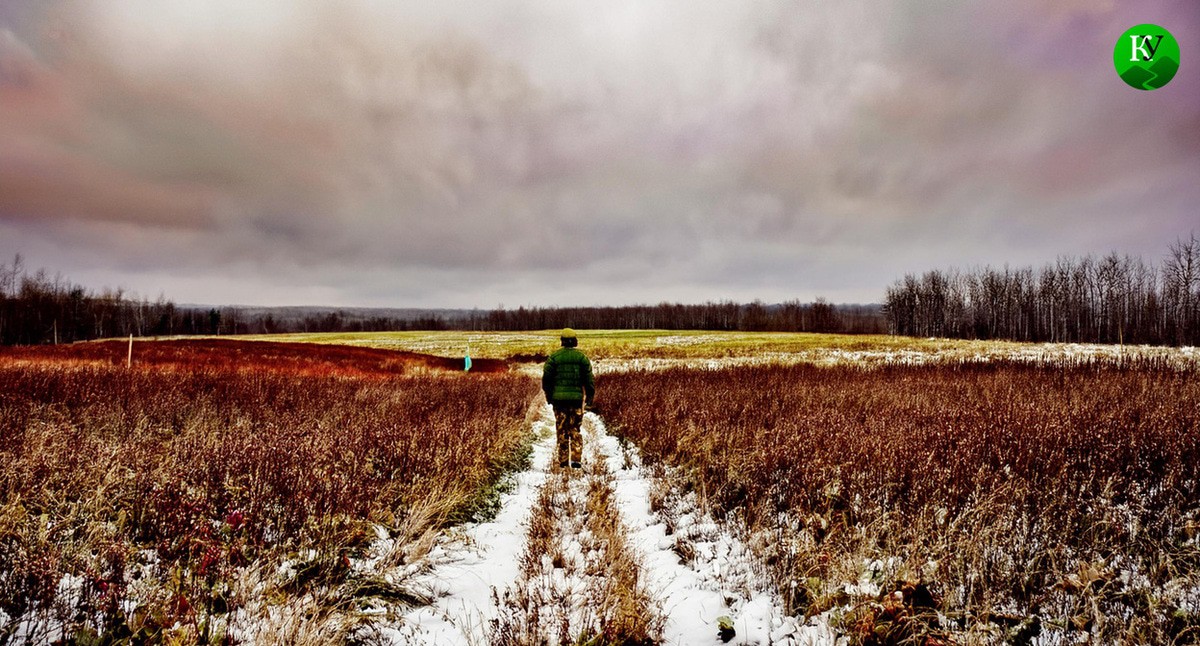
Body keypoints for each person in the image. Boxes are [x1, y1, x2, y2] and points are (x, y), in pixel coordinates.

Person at [542, 328, 595, 469]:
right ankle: (576, 460)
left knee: (561, 429)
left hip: (559, 401)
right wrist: (589, 397)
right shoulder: (582, 358)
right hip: (576, 400)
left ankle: (563, 461)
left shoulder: (554, 357)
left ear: (562, 341)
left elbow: (546, 380)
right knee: (575, 429)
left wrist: (549, 396)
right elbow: (589, 380)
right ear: (575, 341)